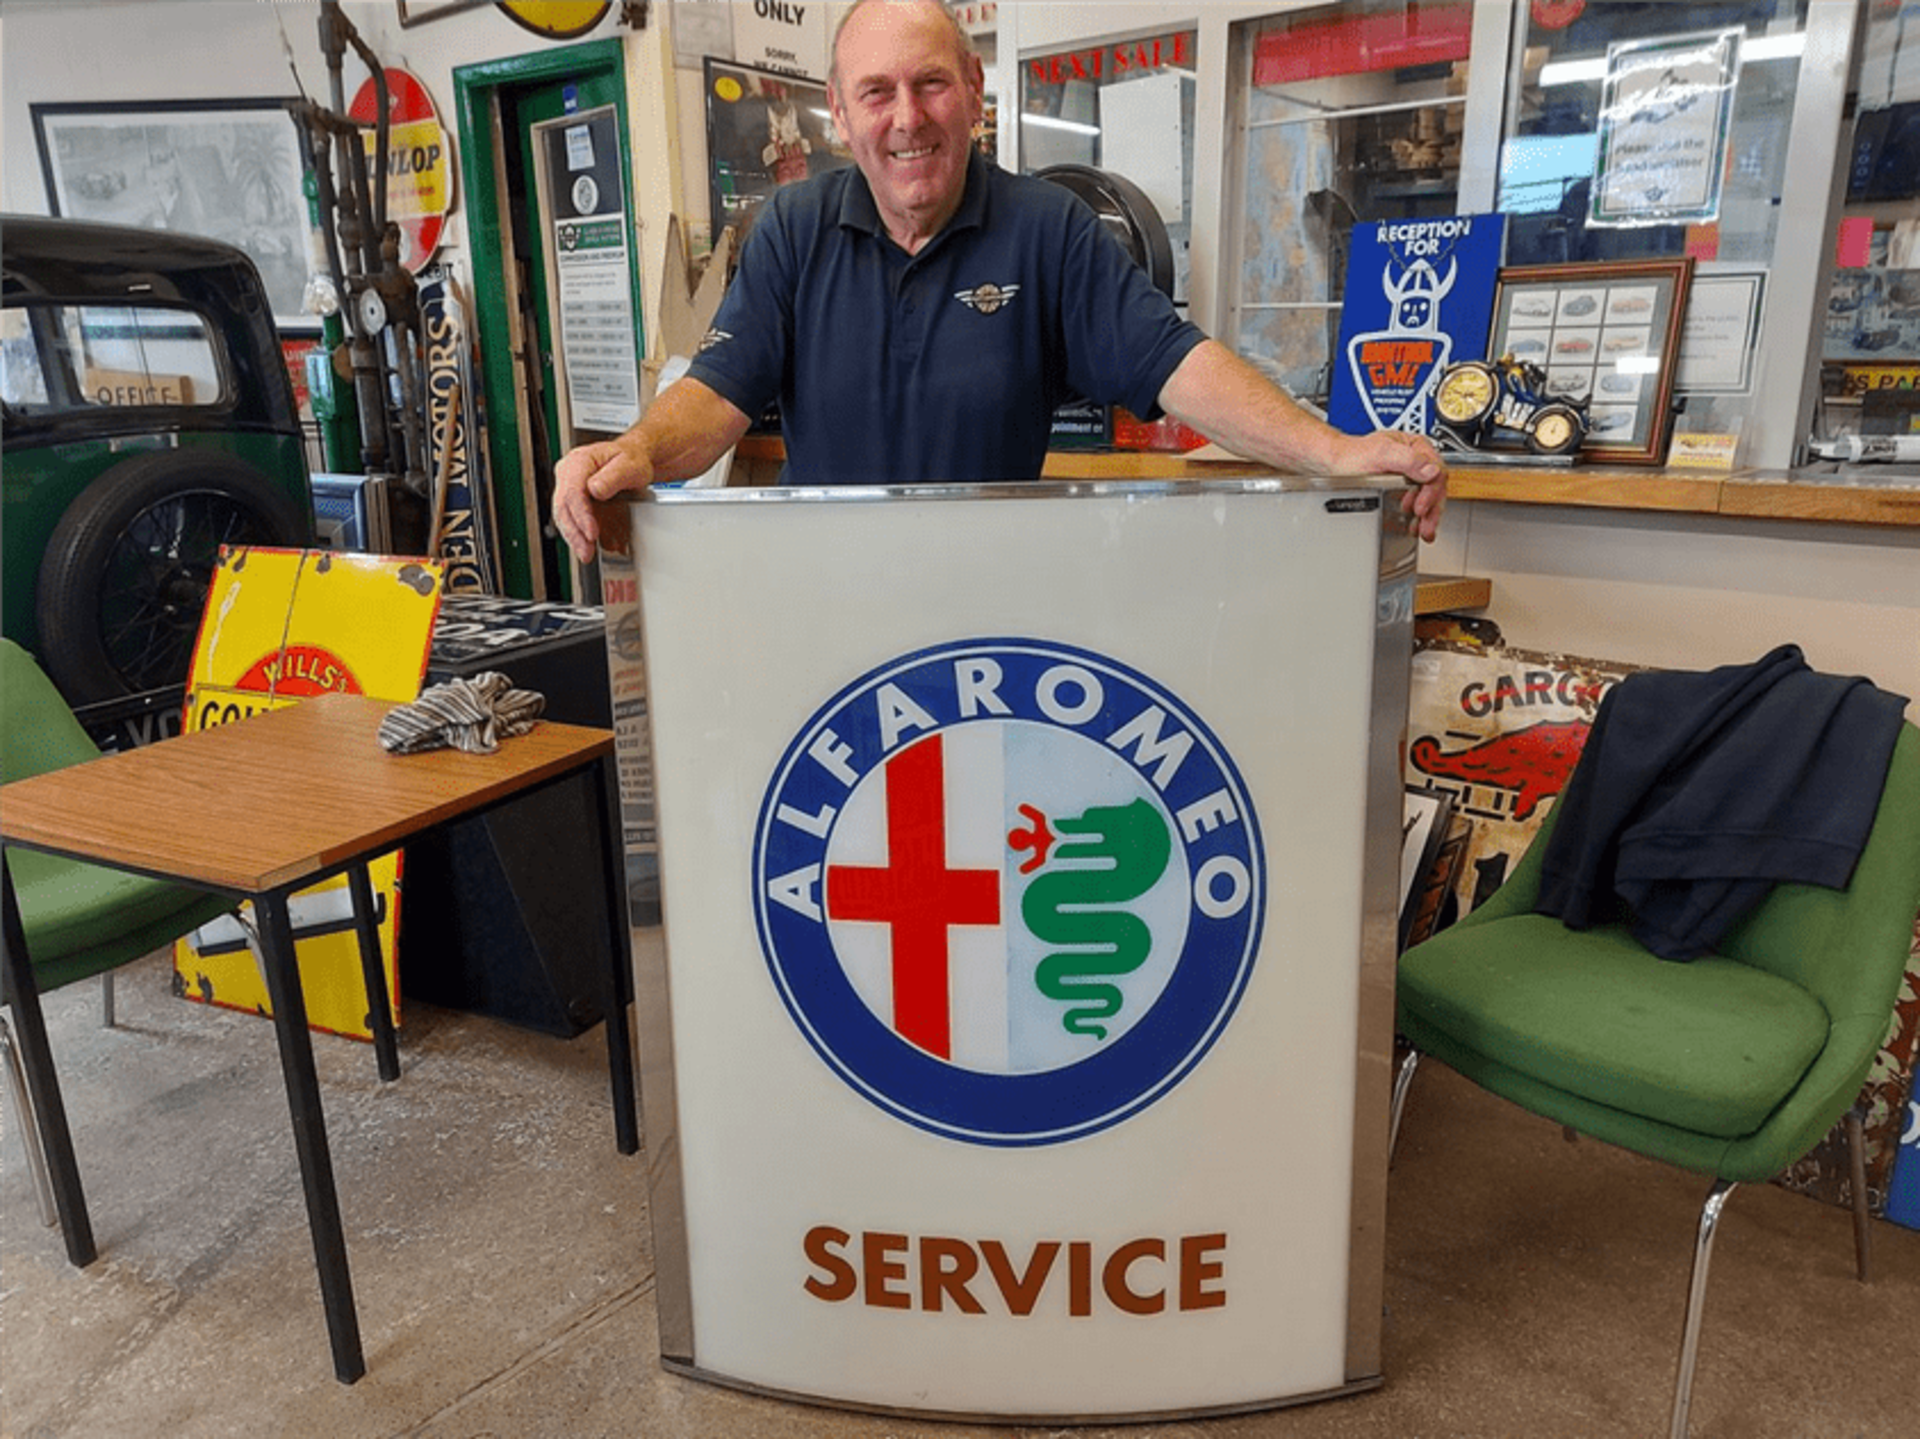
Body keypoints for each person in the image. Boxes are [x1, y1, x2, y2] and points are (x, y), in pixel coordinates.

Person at [554, 0, 1447, 564]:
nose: (907, 119)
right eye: (876, 93)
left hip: (995, 615)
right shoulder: (794, 230)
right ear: (841, 113)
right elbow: (714, 400)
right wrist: (634, 449)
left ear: (974, 91)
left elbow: (1179, 365)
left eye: (931, 85)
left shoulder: (1047, 230)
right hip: (825, 607)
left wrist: (1334, 449)